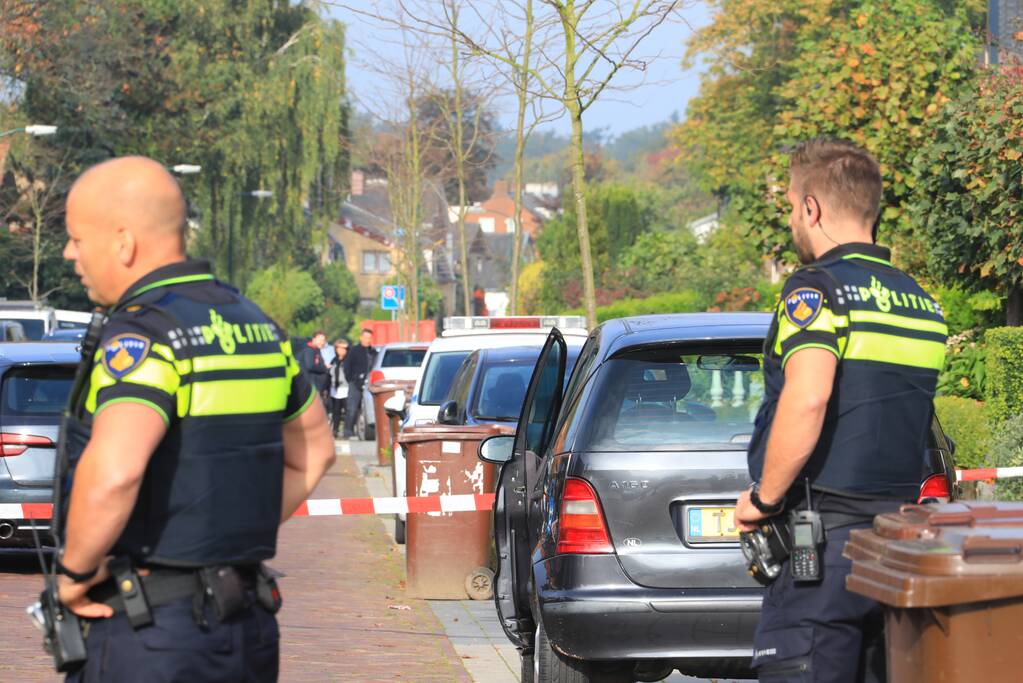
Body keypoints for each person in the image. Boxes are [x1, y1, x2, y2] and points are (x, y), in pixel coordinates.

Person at [54, 156, 336, 682]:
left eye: (76, 238)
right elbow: (315, 452)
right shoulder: (256, 327)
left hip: (153, 633)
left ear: (123, 242)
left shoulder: (144, 335)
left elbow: (115, 472)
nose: (71, 254)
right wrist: (222, 535)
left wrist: (74, 571)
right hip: (246, 626)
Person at [734, 139, 947, 682]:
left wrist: (764, 498)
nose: (791, 220)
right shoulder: (922, 303)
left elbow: (810, 396)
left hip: (822, 545)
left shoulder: (817, 291)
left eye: (789, 205)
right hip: (898, 546)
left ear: (812, 208)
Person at [341, 328, 376, 439]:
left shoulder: (373, 352)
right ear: (361, 337)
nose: (367, 340)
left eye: (369, 338)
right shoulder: (354, 351)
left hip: (369, 383)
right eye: (365, 337)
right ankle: (348, 431)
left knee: (368, 408)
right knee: (352, 407)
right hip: (355, 383)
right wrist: (351, 379)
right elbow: (347, 366)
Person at [300, 331, 330, 404]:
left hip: (316, 386)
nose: (322, 342)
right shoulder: (309, 350)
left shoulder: (316, 350)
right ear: (313, 339)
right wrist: (325, 368)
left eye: (324, 340)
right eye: (320, 340)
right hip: (312, 386)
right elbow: (310, 366)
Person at [329, 339, 349, 437]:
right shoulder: (334, 360)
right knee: (336, 411)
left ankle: (346, 430)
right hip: (335, 389)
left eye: (345, 348)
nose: (342, 350)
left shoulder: (348, 360)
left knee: (347, 411)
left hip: (346, 389)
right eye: (340, 348)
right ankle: (335, 430)